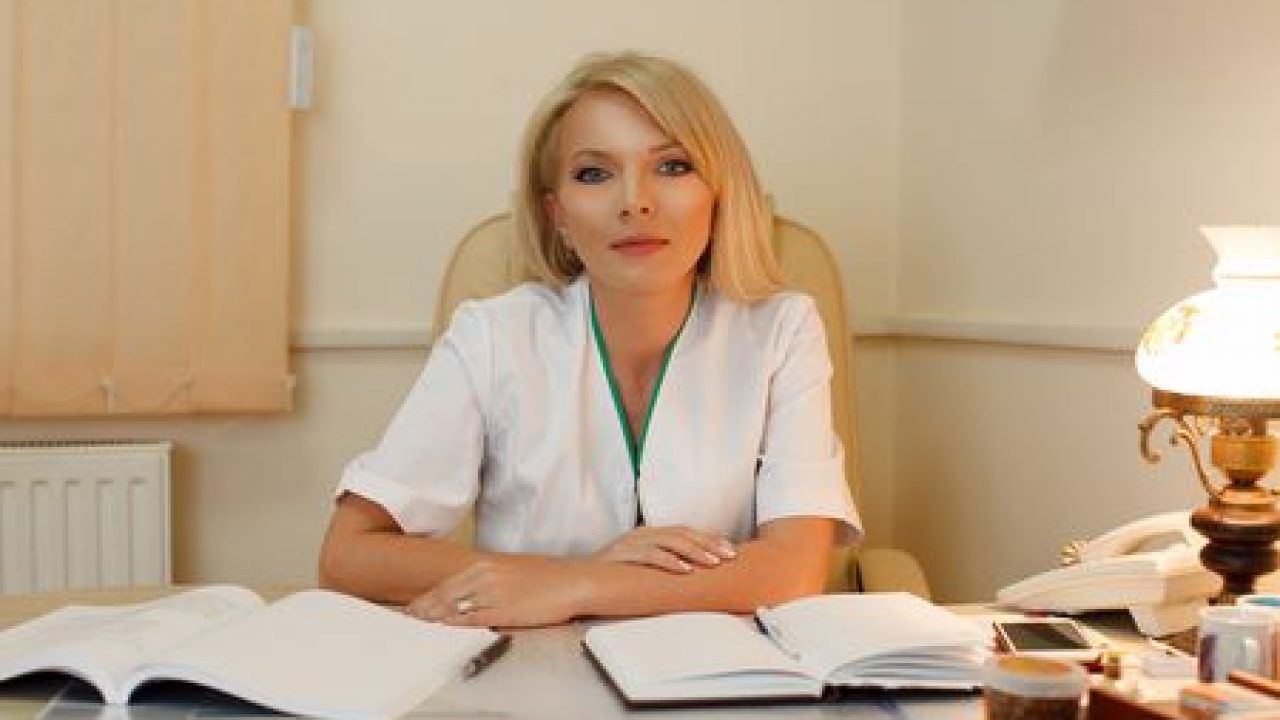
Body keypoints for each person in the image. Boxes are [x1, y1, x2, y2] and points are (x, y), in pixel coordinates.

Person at [319, 51, 861, 628]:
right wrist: (570, 572)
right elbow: (348, 553)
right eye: (594, 174)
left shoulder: (782, 329)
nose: (635, 201)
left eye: (673, 166)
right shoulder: (493, 336)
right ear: (557, 215)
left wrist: (576, 584)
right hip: (531, 665)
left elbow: (794, 572)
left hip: (721, 670)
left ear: (720, 194)